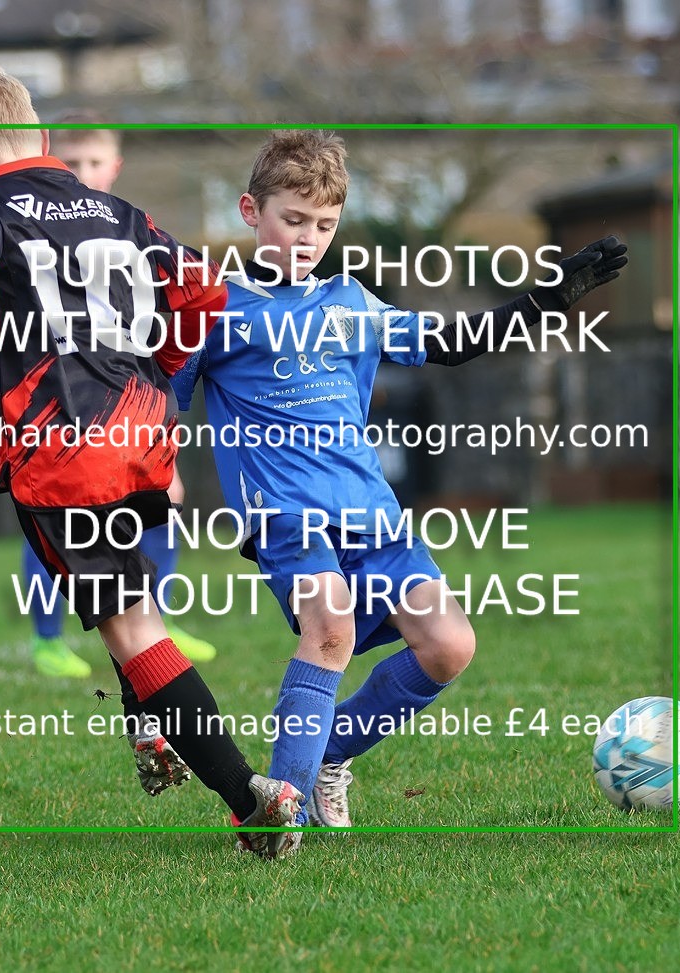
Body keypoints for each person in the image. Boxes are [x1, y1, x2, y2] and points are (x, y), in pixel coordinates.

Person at [0, 66, 301, 857]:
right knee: (133, 606)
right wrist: (160, 378)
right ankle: (147, 728)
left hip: (64, 453)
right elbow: (204, 294)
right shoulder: (118, 210)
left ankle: (249, 799)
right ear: (42, 137)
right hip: (140, 437)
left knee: (135, 628)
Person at [170, 130, 627, 832]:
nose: (308, 237)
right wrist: (152, 470)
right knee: (330, 628)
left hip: (372, 514)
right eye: (293, 219)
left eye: (323, 224)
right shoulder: (213, 307)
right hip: (287, 517)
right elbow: (161, 399)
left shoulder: (351, 301)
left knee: (449, 645)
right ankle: (275, 819)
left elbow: (448, 343)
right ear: (250, 211)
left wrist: (548, 296)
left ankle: (328, 754)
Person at [0, 115, 217, 680]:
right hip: (51, 409)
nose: (85, 172)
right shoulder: (21, 223)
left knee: (161, 505)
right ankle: (48, 635)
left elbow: (184, 300)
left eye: (95, 162)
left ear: (115, 167)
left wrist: (166, 371)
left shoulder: (125, 229)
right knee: (59, 517)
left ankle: (157, 618)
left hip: (124, 404)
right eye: (74, 161)